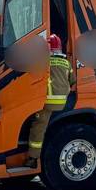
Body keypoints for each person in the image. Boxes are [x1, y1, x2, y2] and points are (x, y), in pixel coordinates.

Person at [26, 34, 75, 167]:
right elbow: (73, 81)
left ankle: (32, 158)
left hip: (46, 102)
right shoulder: (66, 63)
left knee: (38, 128)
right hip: (63, 102)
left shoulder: (43, 62)